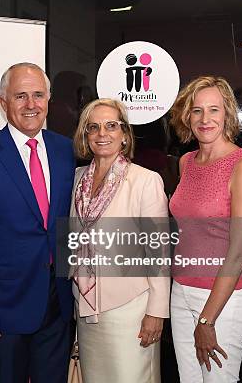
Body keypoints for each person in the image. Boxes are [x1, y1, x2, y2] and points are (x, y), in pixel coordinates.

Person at [0, 63, 76, 383]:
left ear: (49, 99)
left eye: (38, 95)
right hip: (4, 306)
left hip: (58, 301)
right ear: (3, 102)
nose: (31, 104)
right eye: (20, 96)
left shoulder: (65, 150)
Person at [70, 98, 170, 382]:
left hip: (131, 310)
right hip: (87, 308)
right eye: (93, 127)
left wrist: (156, 312)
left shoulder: (145, 181)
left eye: (111, 126)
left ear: (124, 134)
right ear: (85, 135)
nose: (102, 134)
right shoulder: (78, 179)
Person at [169, 76, 242, 382]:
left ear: (227, 114)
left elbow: (238, 252)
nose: (205, 119)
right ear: (186, 116)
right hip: (180, 291)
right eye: (196, 111)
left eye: (214, 110)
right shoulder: (186, 162)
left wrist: (207, 319)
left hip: (224, 301)